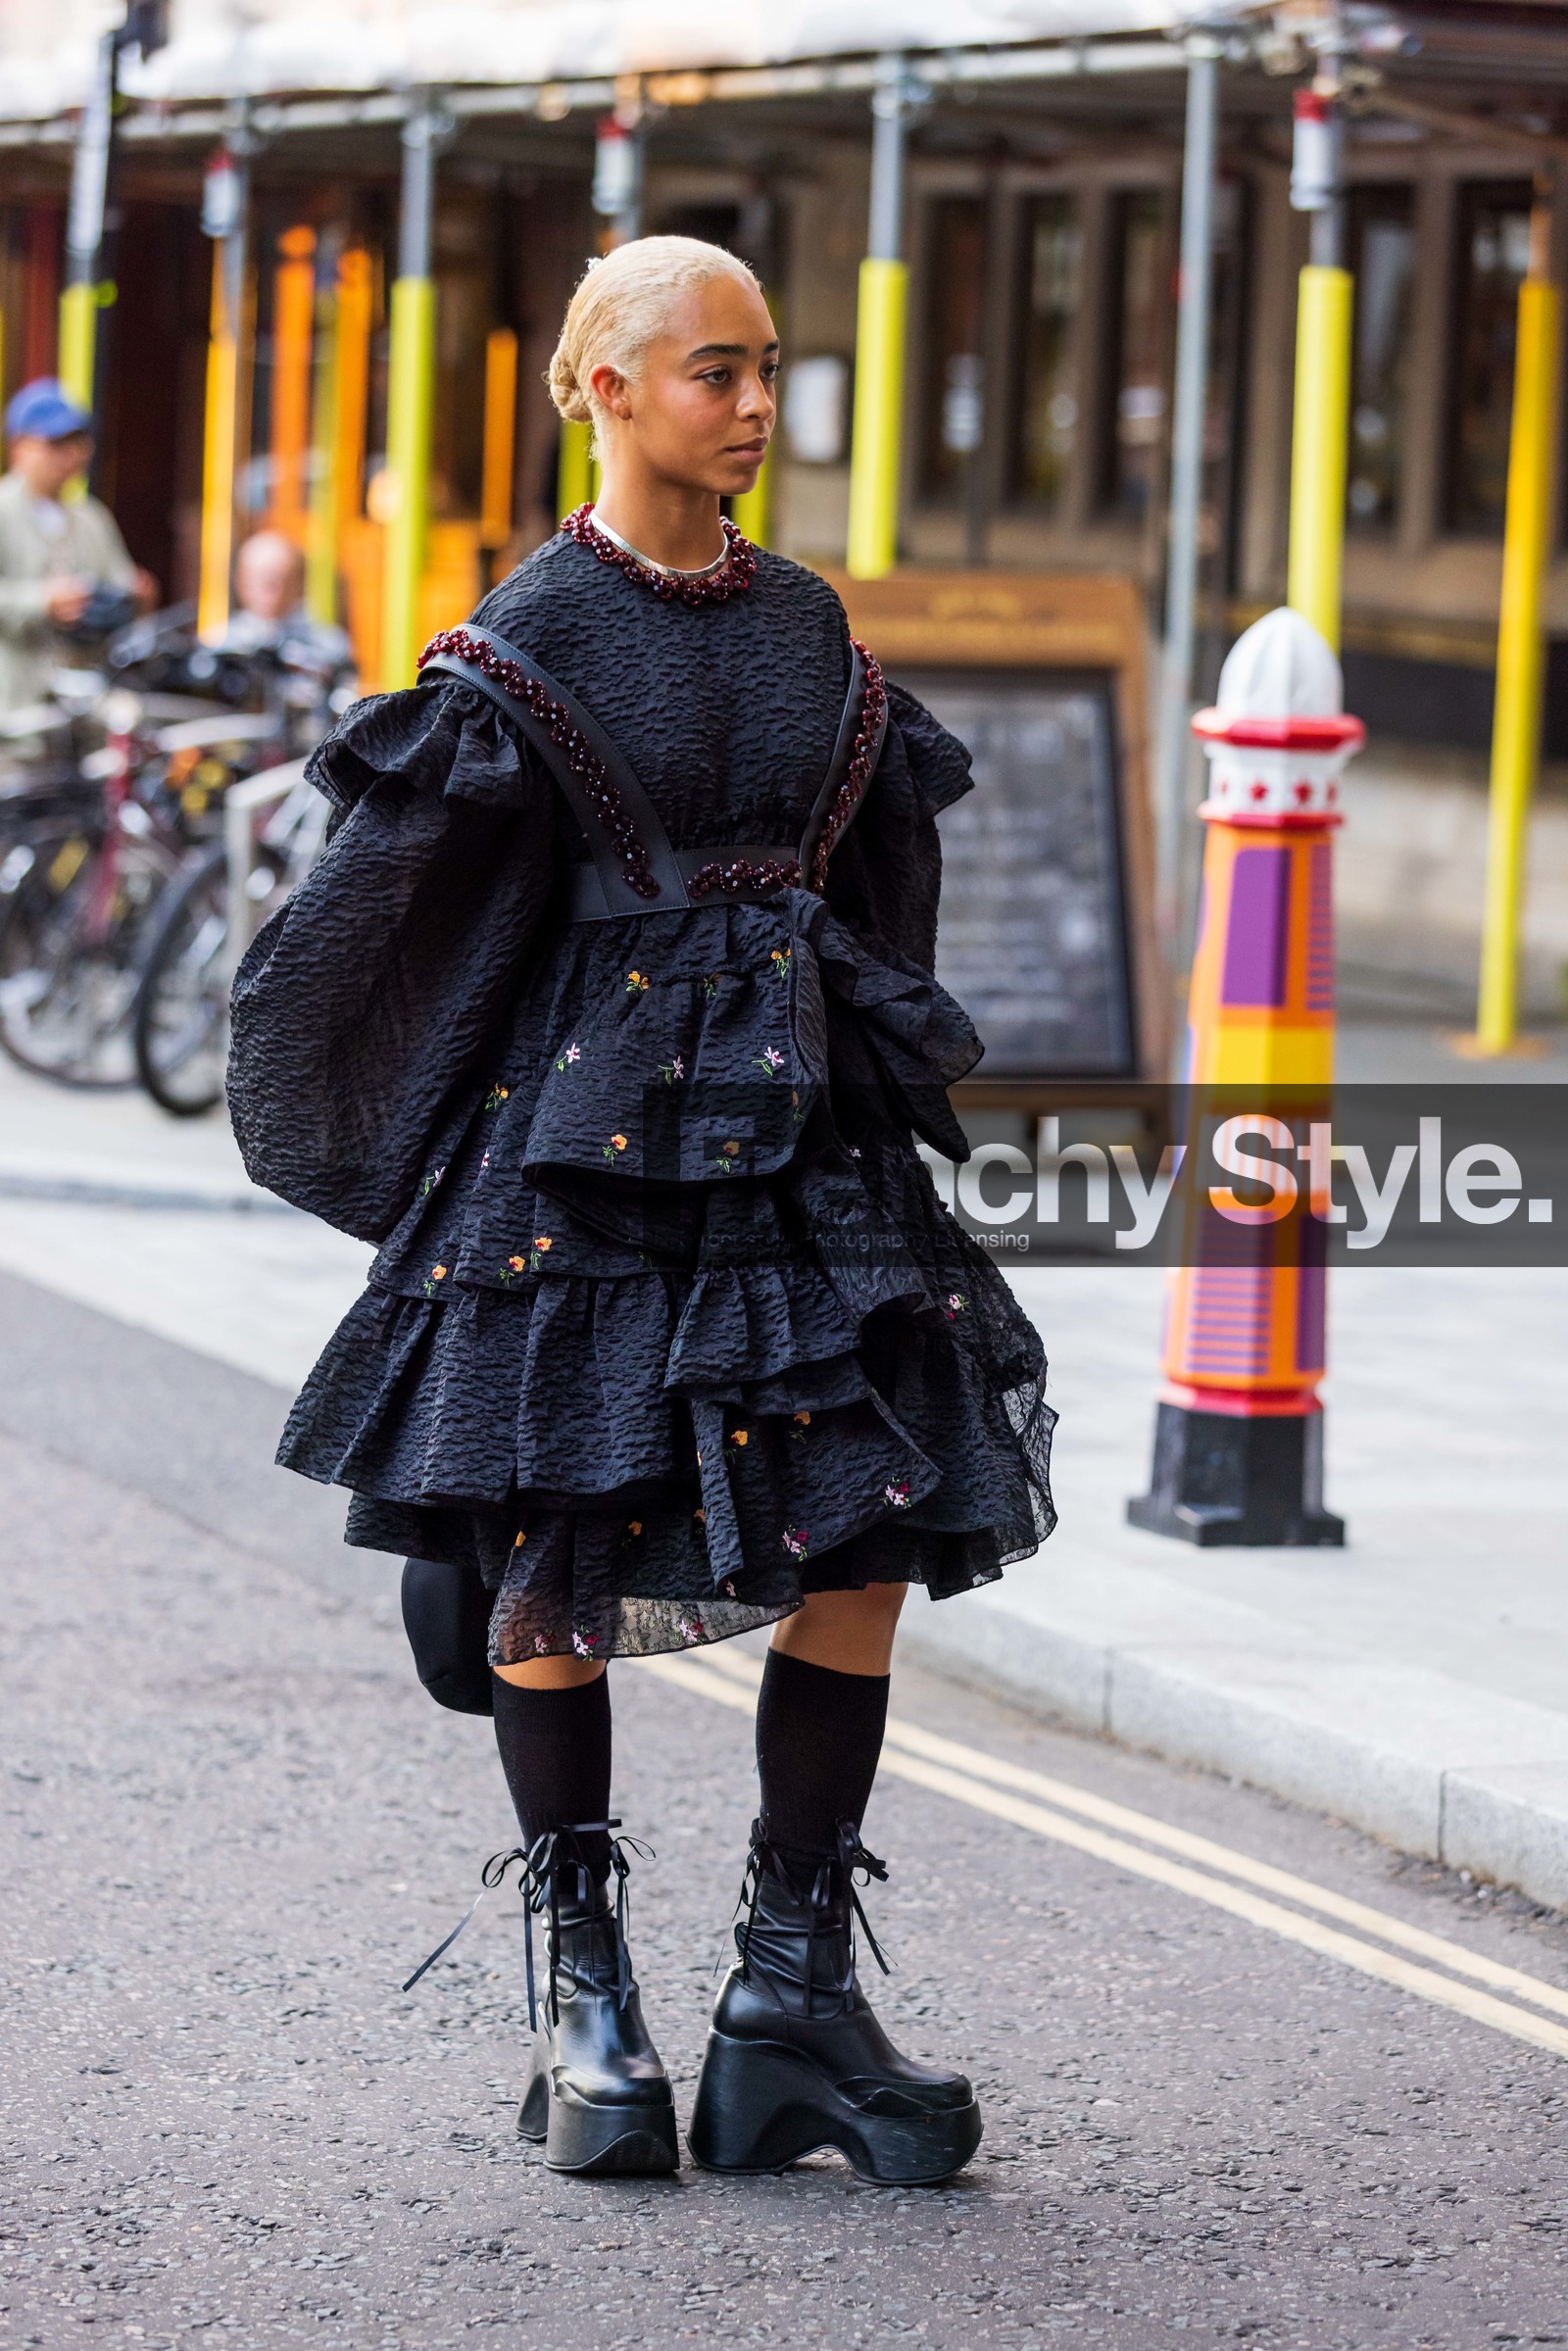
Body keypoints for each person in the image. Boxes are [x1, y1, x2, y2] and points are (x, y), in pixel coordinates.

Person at [227, 237, 1055, 2186]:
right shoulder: (525, 636)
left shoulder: (809, 619)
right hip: (577, 1162)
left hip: (801, 1141)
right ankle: (583, 1992)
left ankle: (788, 1995)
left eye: (766, 368)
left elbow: (878, 879)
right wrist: (404, 1170)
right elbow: (385, 924)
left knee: (867, 1530)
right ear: (605, 389)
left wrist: (879, 1060)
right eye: (714, 371)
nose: (754, 406)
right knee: (555, 1544)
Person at [0, 377, 156, 711]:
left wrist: (134, 598)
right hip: (13, 704)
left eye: (78, 442)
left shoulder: (92, 518)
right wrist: (43, 601)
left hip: (82, 702)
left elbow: (120, 587)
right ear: (19, 446)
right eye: (56, 443)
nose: (71, 455)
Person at [222, 527, 353, 680]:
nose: (271, 589)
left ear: (299, 582)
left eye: (280, 578)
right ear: (241, 582)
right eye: (261, 578)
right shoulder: (222, 642)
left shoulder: (328, 646)